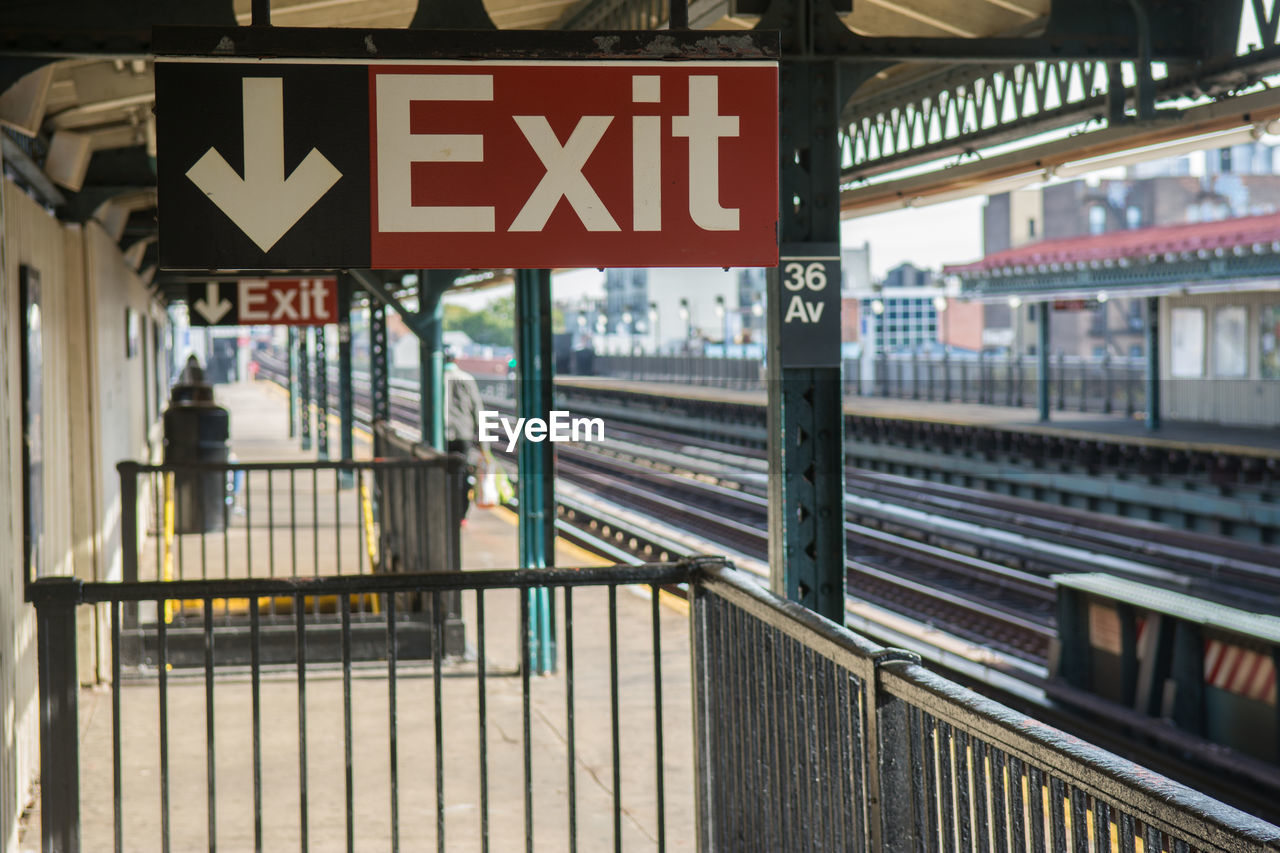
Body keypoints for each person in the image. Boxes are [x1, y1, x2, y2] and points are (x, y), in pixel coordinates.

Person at [443, 348, 483, 521]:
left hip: (442, 435)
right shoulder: (467, 379)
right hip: (464, 434)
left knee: (443, 473)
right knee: (463, 473)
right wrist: (484, 444)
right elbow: (477, 410)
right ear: (456, 360)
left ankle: (445, 509)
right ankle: (461, 515)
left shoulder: (436, 378)